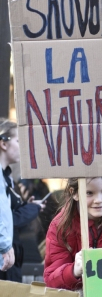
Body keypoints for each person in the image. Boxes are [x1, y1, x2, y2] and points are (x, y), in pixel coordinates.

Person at [0, 119, 45, 282]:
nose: (22, 147)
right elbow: (6, 220)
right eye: (18, 141)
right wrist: (32, 209)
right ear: (4, 144)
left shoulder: (6, 177)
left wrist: (27, 206)